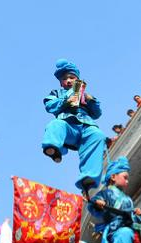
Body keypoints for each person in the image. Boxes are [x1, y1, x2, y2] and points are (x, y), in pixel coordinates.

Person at [42, 59, 106, 191]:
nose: (68, 81)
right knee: (56, 125)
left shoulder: (85, 95)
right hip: (68, 125)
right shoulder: (57, 93)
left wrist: (91, 100)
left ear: (77, 79)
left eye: (72, 77)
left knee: (98, 135)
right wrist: (65, 100)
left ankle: (88, 176)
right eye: (65, 79)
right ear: (61, 82)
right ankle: (53, 148)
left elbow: (97, 114)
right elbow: (49, 106)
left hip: (86, 125)